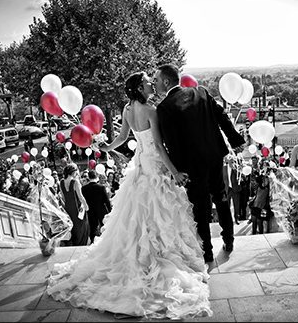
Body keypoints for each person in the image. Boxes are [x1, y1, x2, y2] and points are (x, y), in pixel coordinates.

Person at [47, 71, 212, 320]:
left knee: (138, 214)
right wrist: (175, 172)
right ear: (139, 87)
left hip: (140, 165)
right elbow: (157, 146)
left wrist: (106, 147)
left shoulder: (126, 110)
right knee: (160, 212)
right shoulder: (151, 111)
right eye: (147, 81)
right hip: (154, 163)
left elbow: (123, 138)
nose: (150, 83)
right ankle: (155, 256)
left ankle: (141, 254)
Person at [154, 64, 246, 263]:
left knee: (200, 207)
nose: (154, 83)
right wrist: (235, 139)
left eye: (157, 80)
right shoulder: (201, 92)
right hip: (214, 156)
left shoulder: (164, 108)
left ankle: (207, 252)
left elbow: (172, 143)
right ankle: (229, 239)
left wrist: (178, 171)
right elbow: (222, 116)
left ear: (166, 81)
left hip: (191, 165)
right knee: (221, 197)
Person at [59, 163, 90, 246]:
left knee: (72, 226)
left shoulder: (61, 182)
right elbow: (80, 197)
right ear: (73, 172)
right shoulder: (75, 182)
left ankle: (73, 242)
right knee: (80, 227)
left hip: (68, 208)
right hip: (77, 208)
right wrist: (86, 206)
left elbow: (63, 197)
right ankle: (80, 243)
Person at [81, 170, 111, 244]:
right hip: (101, 210)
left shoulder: (84, 188)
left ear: (89, 177)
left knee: (92, 228)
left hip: (91, 211)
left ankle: (92, 242)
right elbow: (106, 201)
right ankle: (105, 241)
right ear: (96, 177)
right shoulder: (101, 188)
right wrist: (110, 211)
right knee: (104, 226)